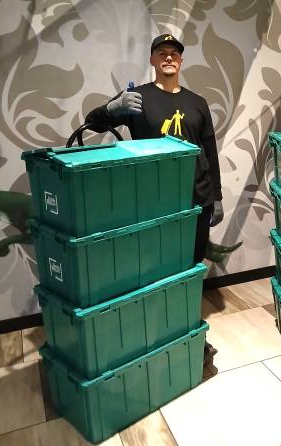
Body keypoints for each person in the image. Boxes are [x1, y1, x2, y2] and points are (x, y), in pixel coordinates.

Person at [85, 33, 222, 366]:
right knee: (156, 271)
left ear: (181, 60)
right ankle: (157, 334)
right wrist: (111, 108)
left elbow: (210, 151)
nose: (169, 57)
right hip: (156, 202)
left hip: (196, 197)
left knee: (191, 267)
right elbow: (92, 122)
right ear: (152, 60)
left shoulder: (197, 102)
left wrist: (216, 196)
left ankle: (191, 330)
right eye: (162, 52)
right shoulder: (137, 98)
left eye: (174, 53)